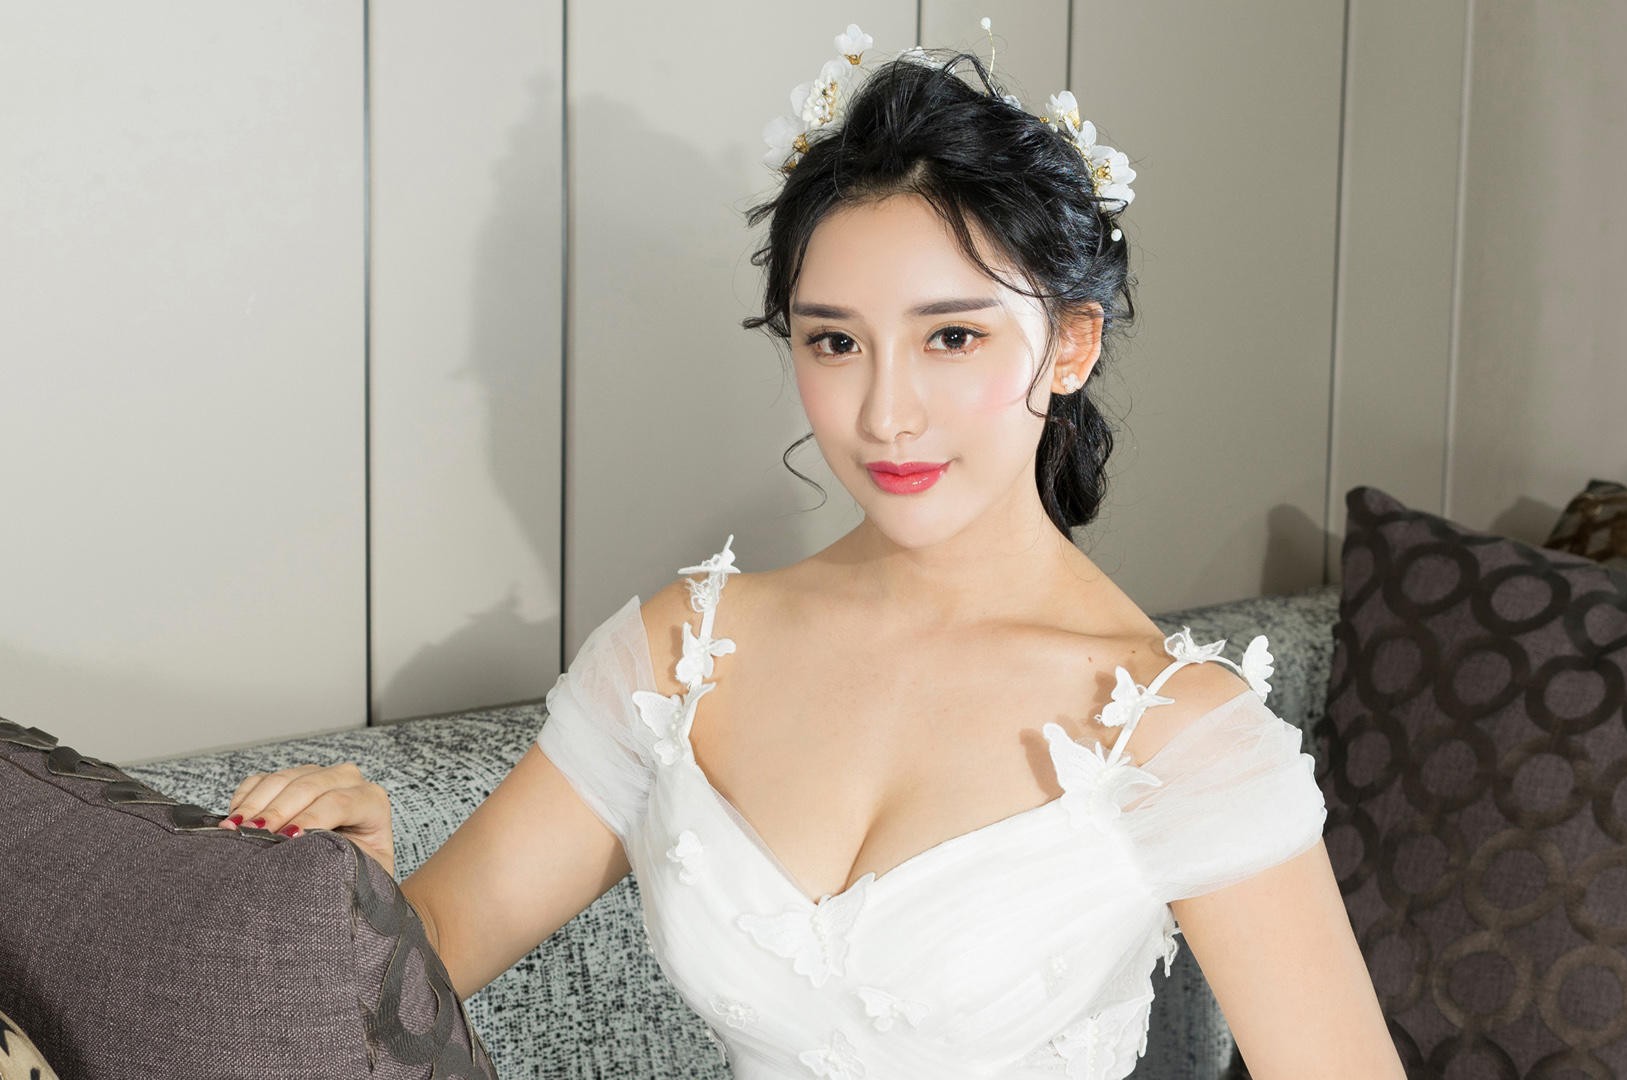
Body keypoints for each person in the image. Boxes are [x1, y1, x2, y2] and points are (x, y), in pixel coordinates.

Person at [216, 24, 1402, 1078]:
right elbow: (404, 990)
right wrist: (353, 889)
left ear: (1071, 344)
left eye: (951, 337)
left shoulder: (1174, 732)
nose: (886, 414)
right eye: (836, 342)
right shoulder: (682, 657)